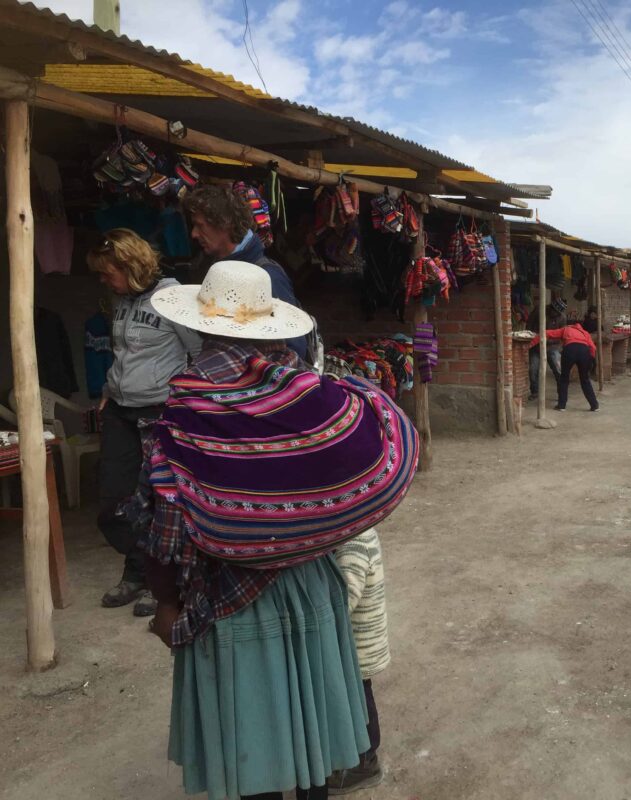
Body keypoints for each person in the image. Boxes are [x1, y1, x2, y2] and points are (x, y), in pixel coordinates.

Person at [139, 260, 417, 800]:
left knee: (252, 732)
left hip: (228, 595)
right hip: (316, 587)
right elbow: (374, 441)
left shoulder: (184, 414)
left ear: (198, 325)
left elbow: (165, 528)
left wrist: (167, 603)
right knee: (310, 719)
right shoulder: (318, 395)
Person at [88, 228, 200, 617]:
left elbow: (199, 354)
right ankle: (138, 567)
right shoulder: (120, 300)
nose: (104, 280)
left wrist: (187, 401)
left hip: (159, 411)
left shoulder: (173, 299)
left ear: (130, 265)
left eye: (108, 272)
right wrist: (107, 388)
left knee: (160, 500)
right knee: (115, 499)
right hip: (120, 408)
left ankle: (155, 579)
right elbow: (123, 354)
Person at [182, 184, 308, 360]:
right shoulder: (210, 267)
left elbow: (295, 351)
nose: (194, 234)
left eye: (199, 225)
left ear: (224, 222)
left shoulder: (267, 275)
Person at [329, 528, 390, 794]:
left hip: (358, 647)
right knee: (358, 697)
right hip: (356, 643)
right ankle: (358, 755)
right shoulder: (353, 536)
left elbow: (345, 600)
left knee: (359, 701)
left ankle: (365, 761)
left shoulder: (355, 543)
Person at [542, 321, 599, 411]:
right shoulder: (585, 333)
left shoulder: (566, 329)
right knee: (585, 379)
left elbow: (549, 333)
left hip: (570, 350)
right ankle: (594, 405)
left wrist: (534, 340)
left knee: (564, 378)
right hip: (584, 352)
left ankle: (561, 406)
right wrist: (591, 359)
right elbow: (593, 348)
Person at [529, 309, 563, 400]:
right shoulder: (538, 312)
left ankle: (562, 393)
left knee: (558, 370)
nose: (554, 314)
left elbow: (561, 335)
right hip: (537, 346)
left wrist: (549, 340)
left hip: (552, 347)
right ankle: (535, 391)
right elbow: (530, 327)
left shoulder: (562, 318)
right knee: (533, 369)